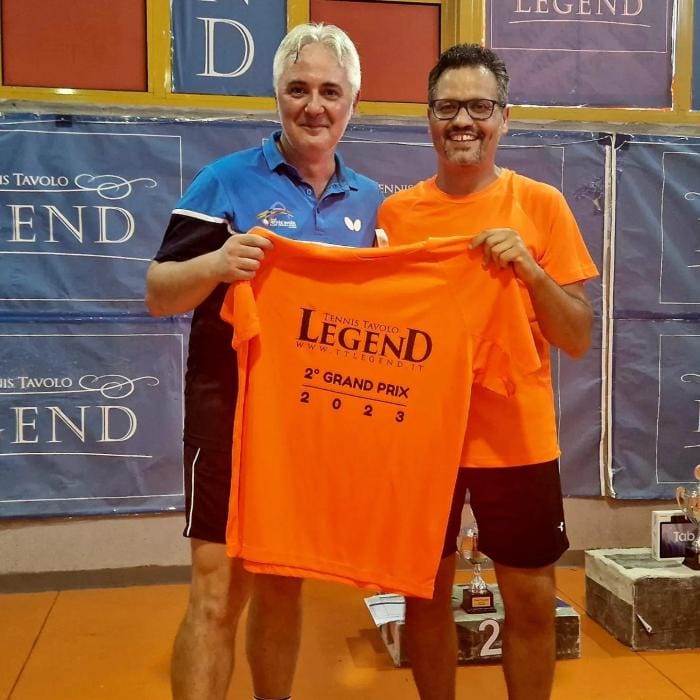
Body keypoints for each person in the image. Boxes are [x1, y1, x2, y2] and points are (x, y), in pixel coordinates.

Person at [145, 23, 382, 700]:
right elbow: (160, 291)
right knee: (217, 589)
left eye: (330, 91)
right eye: (298, 89)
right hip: (227, 414)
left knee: (282, 586)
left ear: (352, 102)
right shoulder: (224, 181)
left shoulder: (373, 204)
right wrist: (217, 264)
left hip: (309, 423)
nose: (314, 105)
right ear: (277, 96)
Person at [377, 44, 598, 700]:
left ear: (504, 116)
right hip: (422, 439)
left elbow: (576, 336)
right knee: (423, 599)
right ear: (429, 117)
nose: (463, 121)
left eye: (479, 106)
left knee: (530, 601)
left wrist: (530, 272)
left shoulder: (541, 204)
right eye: (448, 107)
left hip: (517, 440)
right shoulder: (395, 217)